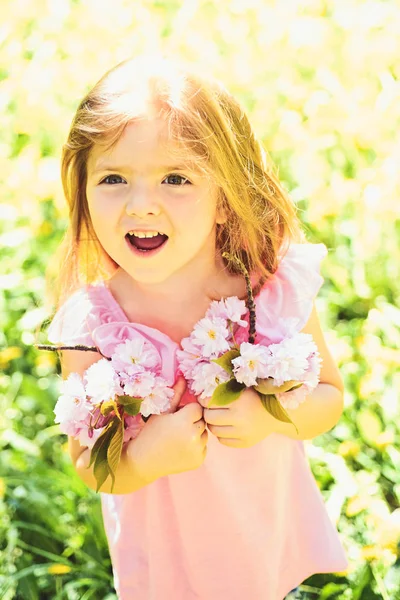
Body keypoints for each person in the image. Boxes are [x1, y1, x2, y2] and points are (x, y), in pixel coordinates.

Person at [45, 54, 348, 600]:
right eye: (113, 177)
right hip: (165, 560)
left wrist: (273, 415)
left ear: (225, 200)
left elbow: (329, 395)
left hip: (258, 530)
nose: (142, 205)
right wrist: (142, 457)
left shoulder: (266, 290)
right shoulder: (94, 326)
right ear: (84, 192)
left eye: (176, 178)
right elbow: (90, 466)